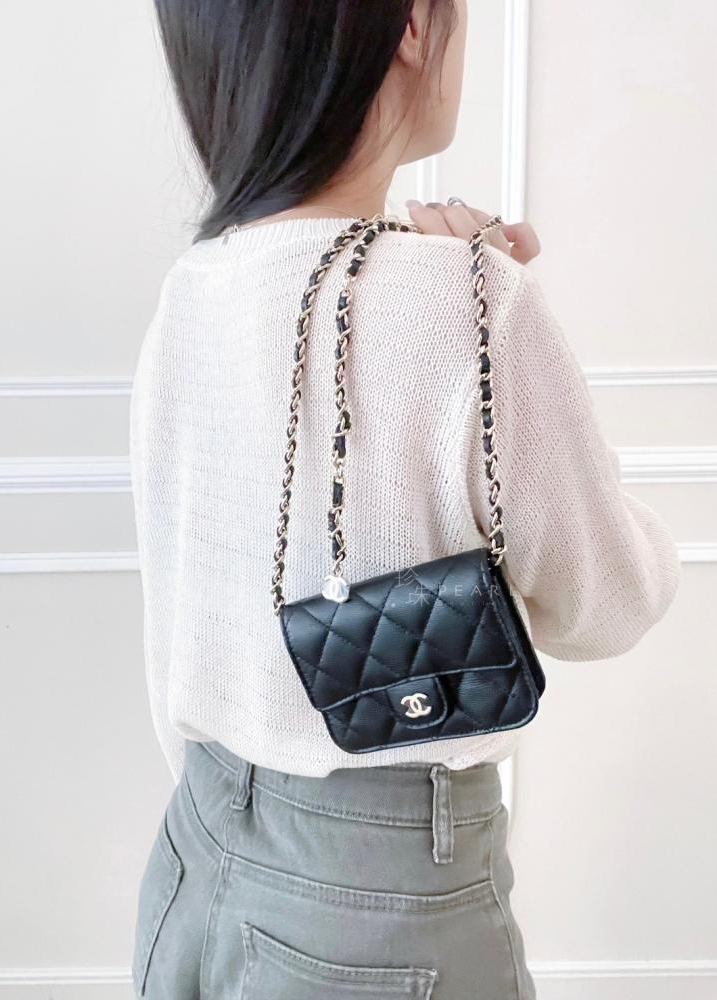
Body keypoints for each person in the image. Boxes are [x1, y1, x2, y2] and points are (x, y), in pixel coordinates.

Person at [128, 2, 682, 997]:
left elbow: (179, 616)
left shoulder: (192, 289)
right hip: (386, 903)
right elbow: (610, 601)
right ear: (414, 26)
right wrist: (491, 316)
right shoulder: (472, 302)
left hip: (195, 855)